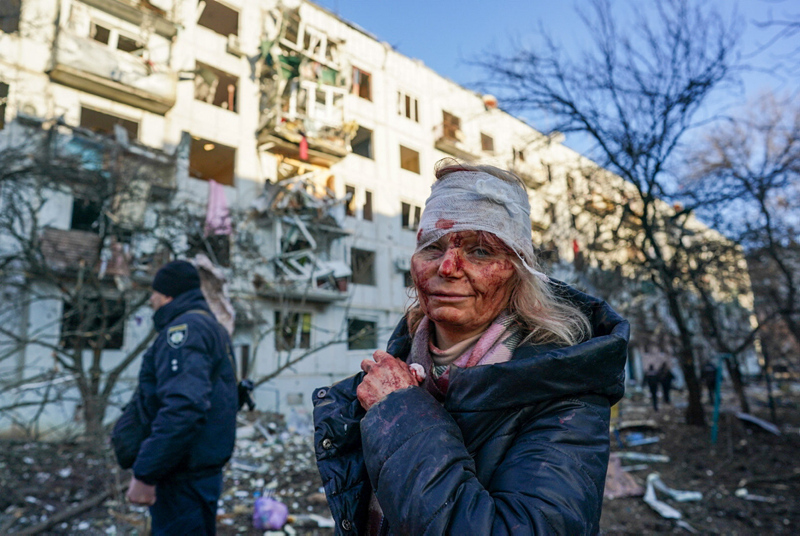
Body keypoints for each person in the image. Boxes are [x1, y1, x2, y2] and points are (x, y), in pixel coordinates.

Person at [313, 162, 629, 535]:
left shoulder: (565, 393)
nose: (447, 267)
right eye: (432, 247)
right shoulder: (395, 371)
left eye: (480, 251)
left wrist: (400, 412)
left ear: (518, 271)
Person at [124, 260, 237, 535]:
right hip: (197, 473)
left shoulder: (185, 331)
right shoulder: (212, 327)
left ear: (168, 295)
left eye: (154, 293)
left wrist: (146, 473)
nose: (151, 300)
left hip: (182, 478)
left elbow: (184, 407)